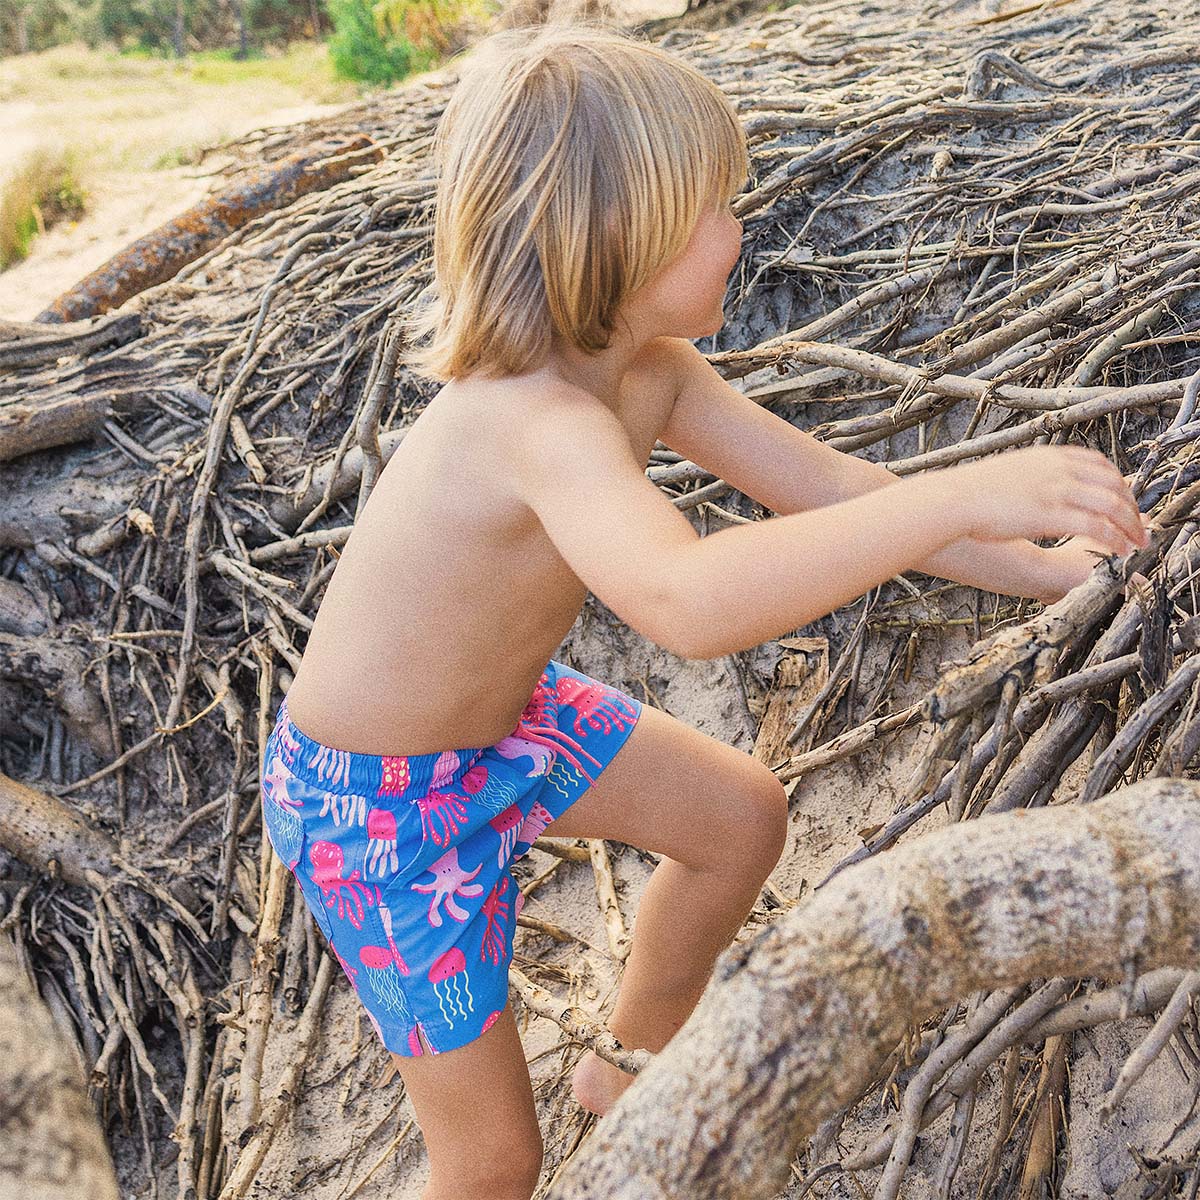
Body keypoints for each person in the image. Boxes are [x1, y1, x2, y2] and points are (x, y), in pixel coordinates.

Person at [259, 20, 1150, 1200]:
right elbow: (686, 601)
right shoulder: (532, 422)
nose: (740, 227)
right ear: (615, 237)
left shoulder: (652, 372)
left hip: (502, 726)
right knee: (493, 1163)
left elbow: (836, 492)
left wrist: (1043, 569)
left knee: (738, 816)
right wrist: (962, 491)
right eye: (713, 208)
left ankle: (631, 1070)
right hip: (375, 810)